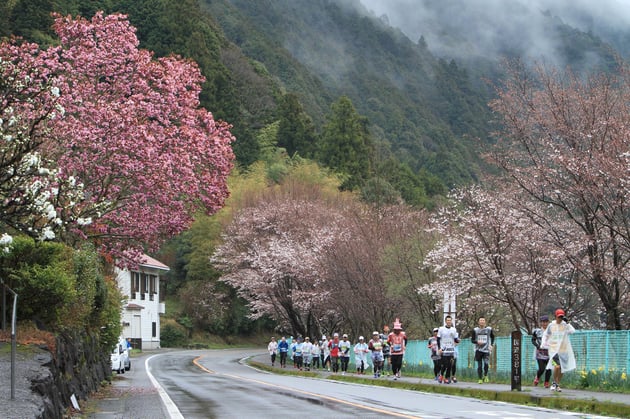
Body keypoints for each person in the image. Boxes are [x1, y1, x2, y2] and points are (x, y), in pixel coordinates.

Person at [542, 308, 576, 392]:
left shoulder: (565, 325)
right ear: (555, 316)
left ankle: (556, 384)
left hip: (564, 350)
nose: (560, 318)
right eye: (559, 316)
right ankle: (554, 383)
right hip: (554, 350)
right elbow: (546, 334)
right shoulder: (551, 325)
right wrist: (543, 343)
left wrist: (568, 323)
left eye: (561, 317)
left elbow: (572, 331)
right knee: (557, 366)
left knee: (562, 368)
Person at [472, 317, 495, 384]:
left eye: (483, 320)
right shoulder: (475, 330)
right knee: (479, 365)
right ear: (478, 322)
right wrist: (477, 342)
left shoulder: (489, 329)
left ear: (485, 322)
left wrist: (492, 345)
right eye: (480, 320)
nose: (482, 321)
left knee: (486, 364)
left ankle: (485, 375)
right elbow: (472, 340)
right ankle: (480, 378)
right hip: (478, 350)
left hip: (486, 349)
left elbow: (493, 337)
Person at [437, 315, 459, 384]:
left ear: (451, 321)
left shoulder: (454, 329)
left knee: (450, 365)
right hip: (444, 349)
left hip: (451, 349)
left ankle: (446, 378)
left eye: (450, 320)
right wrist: (439, 348)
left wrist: (457, 340)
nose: (449, 322)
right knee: (445, 364)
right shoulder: (441, 329)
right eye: (448, 320)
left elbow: (455, 339)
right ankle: (441, 375)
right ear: (446, 321)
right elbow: (438, 339)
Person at [532, 315, 552, 388]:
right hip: (540, 352)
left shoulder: (551, 331)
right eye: (543, 322)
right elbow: (533, 340)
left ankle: (546, 382)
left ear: (548, 322)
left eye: (546, 322)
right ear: (541, 323)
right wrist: (537, 345)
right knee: (542, 368)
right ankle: (537, 377)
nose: (544, 324)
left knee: (549, 368)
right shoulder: (537, 331)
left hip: (549, 352)